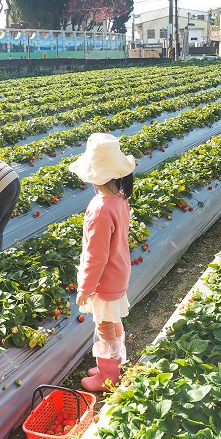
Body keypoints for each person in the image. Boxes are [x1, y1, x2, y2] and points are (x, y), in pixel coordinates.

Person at [68, 133, 136, 392]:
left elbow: (96, 255)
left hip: (104, 279)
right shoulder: (119, 198)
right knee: (113, 320)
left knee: (105, 325)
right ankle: (113, 366)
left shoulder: (99, 208)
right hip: (118, 272)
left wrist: (85, 288)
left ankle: (108, 378)